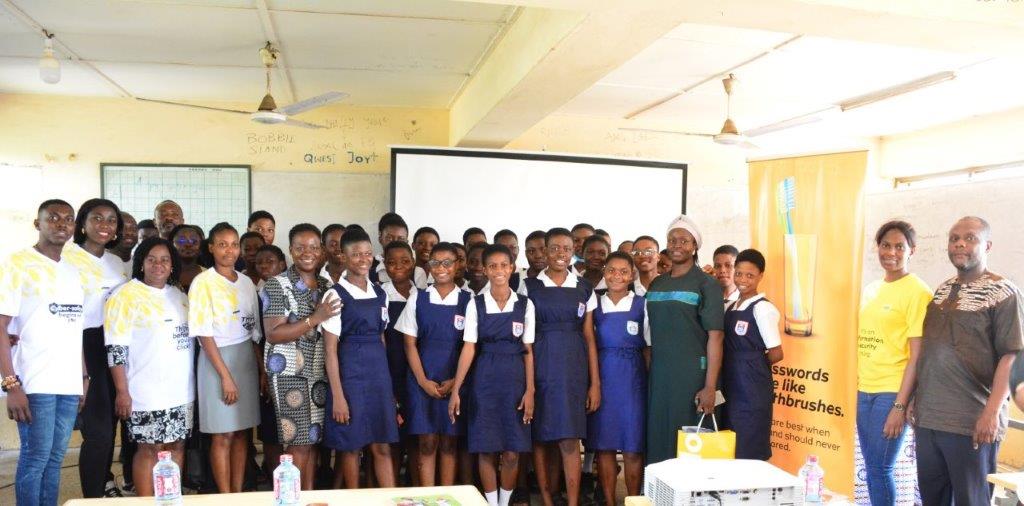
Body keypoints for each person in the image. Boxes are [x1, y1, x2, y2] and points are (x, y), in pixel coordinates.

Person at [913, 216, 1022, 505]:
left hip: (971, 423)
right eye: (954, 238)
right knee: (932, 499)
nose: (960, 243)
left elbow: (1011, 355)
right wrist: (915, 400)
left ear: (987, 245)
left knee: (971, 501)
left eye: (970, 238)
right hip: (929, 420)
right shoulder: (941, 291)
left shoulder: (1004, 292)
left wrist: (991, 413)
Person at [0, 199, 86, 506]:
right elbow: (2, 326)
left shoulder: (73, 272)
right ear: (38, 224)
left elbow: (75, 328)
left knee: (55, 459)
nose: (62, 224)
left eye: (68, 219)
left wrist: (83, 377)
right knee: (35, 458)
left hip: (68, 383)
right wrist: (11, 384)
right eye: (53, 218)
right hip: (34, 383)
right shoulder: (17, 263)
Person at [104, 237, 195, 497]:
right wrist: (122, 391)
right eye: (152, 259)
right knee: (150, 449)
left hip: (181, 390)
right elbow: (115, 349)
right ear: (141, 263)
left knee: (176, 446)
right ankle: (145, 502)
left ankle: (169, 499)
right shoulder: (125, 295)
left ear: (172, 265)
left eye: (165, 260)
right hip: (145, 391)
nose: (158, 265)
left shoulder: (178, 295)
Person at [449, 243, 535, 506]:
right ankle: (490, 502)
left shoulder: (525, 304)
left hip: (515, 382)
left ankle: (504, 502)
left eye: (504, 265)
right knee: (486, 447)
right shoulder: (476, 304)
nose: (499, 271)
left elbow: (528, 351)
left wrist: (530, 391)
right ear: (485, 270)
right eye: (493, 266)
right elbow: (469, 347)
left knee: (511, 451)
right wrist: (456, 390)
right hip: (484, 380)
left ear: (512, 268)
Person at [520, 227, 600, 506]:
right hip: (540, 366)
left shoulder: (584, 287)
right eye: (554, 248)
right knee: (541, 438)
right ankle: (546, 499)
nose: (560, 254)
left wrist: (595, 383)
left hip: (573, 369)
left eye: (566, 248)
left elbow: (589, 337)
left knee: (569, 438)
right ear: (545, 250)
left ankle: (573, 502)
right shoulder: (529, 286)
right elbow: (525, 338)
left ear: (572, 252)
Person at [260, 224, 340, 490]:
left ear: (321, 251)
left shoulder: (327, 285)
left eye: (314, 247)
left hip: (318, 372)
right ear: (291, 250)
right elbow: (273, 333)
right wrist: (314, 318)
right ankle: (290, 497)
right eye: (301, 247)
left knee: (312, 441)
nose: (308, 252)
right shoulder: (277, 284)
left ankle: (305, 496)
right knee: (298, 444)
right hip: (289, 374)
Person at [857, 221, 931, 505]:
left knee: (880, 468)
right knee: (872, 466)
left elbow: (917, 355)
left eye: (900, 246)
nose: (891, 252)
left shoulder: (917, 291)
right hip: (865, 389)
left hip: (892, 390)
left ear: (912, 250)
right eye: (886, 245)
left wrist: (900, 406)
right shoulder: (873, 289)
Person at [321, 229, 399, 488]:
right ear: (343, 256)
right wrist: (338, 396)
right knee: (351, 447)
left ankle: (393, 500)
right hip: (350, 377)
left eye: (367, 254)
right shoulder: (335, 295)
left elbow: (382, 338)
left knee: (382, 446)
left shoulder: (380, 293)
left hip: (378, 376)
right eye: (356, 255)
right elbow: (330, 350)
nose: (363, 259)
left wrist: (387, 387)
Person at [63, 198, 129, 498]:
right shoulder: (67, 257)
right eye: (97, 218)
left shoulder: (115, 263)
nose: (105, 225)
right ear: (82, 223)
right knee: (98, 431)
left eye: (111, 220)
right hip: (83, 345)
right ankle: (92, 497)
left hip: (116, 345)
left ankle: (106, 481)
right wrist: (81, 371)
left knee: (116, 422)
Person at [188, 222, 262, 493]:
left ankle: (238, 493)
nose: (229, 250)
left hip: (244, 360)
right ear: (211, 248)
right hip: (216, 360)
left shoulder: (245, 283)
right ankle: (224, 495)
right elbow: (203, 334)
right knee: (222, 433)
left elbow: (253, 330)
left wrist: (260, 369)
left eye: (234, 244)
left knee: (242, 431)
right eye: (222, 244)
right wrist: (225, 376)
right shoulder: (203, 282)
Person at [645, 215, 724, 465]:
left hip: (692, 376)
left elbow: (716, 336)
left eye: (684, 240)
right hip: (660, 375)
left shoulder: (706, 284)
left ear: (694, 246)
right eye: (672, 240)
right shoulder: (657, 283)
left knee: (688, 441)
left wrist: (710, 386)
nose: (677, 245)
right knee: (659, 436)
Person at [396, 242, 470, 486]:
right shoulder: (418, 299)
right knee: (426, 442)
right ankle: (427, 496)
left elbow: (471, 347)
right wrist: (422, 381)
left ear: (457, 265)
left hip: (455, 380)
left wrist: (455, 383)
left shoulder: (470, 301)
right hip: (423, 379)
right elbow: (409, 345)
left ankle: (445, 496)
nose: (441, 268)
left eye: (447, 262)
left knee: (450, 442)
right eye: (435, 263)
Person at [586, 252, 649, 505]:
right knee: (605, 446)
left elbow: (648, 348)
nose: (617, 276)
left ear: (632, 274)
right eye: (612, 270)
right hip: (602, 378)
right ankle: (610, 501)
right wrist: (593, 384)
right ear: (604, 272)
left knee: (633, 447)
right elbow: (588, 343)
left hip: (633, 381)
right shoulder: (595, 303)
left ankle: (633, 499)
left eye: (624, 271)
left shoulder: (642, 304)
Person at [722, 249, 783, 461]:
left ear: (760, 276)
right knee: (730, 445)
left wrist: (751, 364)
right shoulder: (730, 306)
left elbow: (776, 353)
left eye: (750, 275)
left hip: (752, 389)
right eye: (738, 273)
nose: (743, 280)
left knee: (749, 446)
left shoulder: (763, 309)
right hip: (731, 385)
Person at [380, 240, 417, 484]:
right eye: (392, 262)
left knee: (414, 435)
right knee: (390, 437)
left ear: (414, 263)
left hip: (415, 374)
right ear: (384, 265)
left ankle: (414, 488)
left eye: (405, 261)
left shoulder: (423, 294)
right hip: (388, 371)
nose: (399, 267)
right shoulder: (379, 293)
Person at [170, 224, 205, 292]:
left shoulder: (209, 276)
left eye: (194, 241)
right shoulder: (163, 274)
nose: (188, 244)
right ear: (171, 245)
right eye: (181, 241)